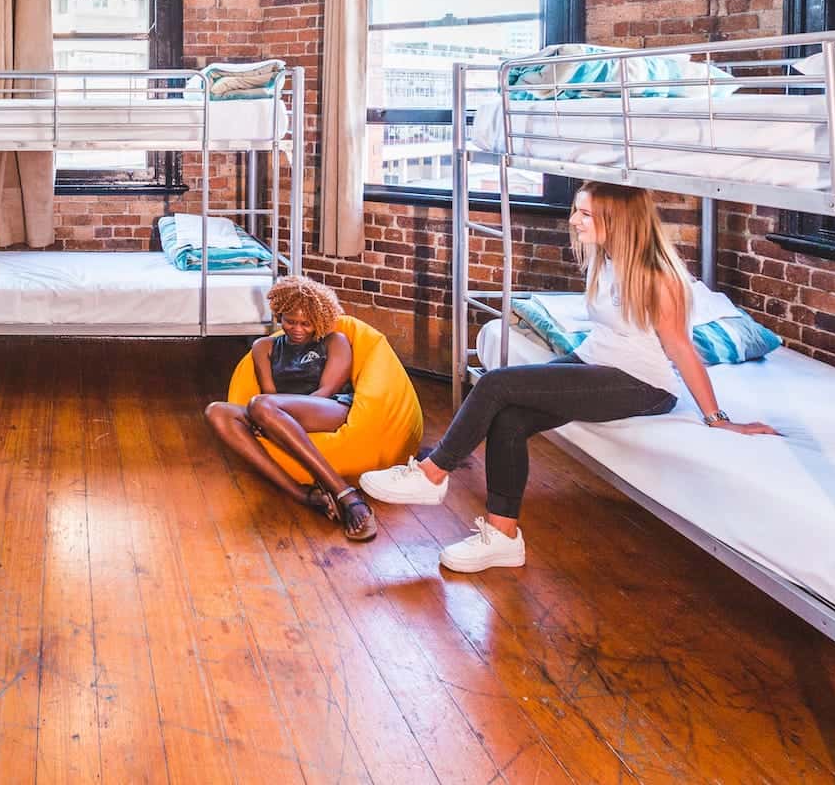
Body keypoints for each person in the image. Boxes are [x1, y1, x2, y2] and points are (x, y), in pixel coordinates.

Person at [360, 182, 776, 573]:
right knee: (510, 418)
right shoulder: (605, 259)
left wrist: (717, 418)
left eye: (585, 214)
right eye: (576, 210)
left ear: (618, 221)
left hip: (643, 384)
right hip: (593, 360)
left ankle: (432, 474)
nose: (574, 220)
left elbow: (682, 349)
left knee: (495, 383)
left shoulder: (658, 276)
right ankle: (503, 537)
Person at [204, 276, 378, 541]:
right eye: (290, 321)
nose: (297, 329)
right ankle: (303, 494)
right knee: (216, 411)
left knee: (261, 405)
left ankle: (345, 493)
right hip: (274, 413)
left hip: (329, 408)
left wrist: (270, 417)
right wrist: (270, 419)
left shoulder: (335, 341)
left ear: (319, 320)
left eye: (306, 323)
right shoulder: (264, 347)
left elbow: (325, 391)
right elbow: (270, 393)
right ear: (279, 315)